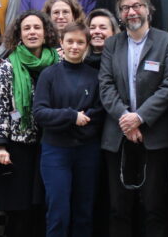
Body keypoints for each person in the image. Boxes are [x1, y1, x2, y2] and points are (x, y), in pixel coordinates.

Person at [98, 0, 168, 237]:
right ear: (119, 15)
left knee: (154, 205)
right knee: (118, 207)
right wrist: (126, 118)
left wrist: (140, 118)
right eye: (125, 8)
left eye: (136, 6)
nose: (131, 12)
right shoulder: (112, 44)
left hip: (153, 135)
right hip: (119, 136)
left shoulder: (166, 41)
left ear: (148, 10)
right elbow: (106, 84)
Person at [0, 10, 60, 237]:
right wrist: (0, 145)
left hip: (51, 145)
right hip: (17, 146)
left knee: (43, 207)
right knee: (18, 211)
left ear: (46, 32)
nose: (32, 32)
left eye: (37, 27)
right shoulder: (8, 65)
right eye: (27, 28)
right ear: (19, 34)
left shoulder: (58, 62)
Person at [33, 22, 105, 237]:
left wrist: (73, 123)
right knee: (58, 211)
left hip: (87, 151)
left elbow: (99, 113)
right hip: (55, 151)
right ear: (61, 44)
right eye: (70, 41)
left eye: (80, 42)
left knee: (84, 211)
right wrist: (71, 116)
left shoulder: (95, 76)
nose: (75, 46)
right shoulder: (49, 75)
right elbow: (40, 113)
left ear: (87, 45)